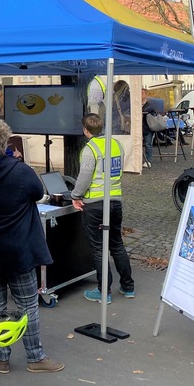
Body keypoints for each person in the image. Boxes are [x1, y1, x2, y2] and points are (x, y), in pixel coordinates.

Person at [0, 119, 64, 375]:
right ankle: (35, 357)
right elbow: (37, 193)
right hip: (18, 250)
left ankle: (2, 357)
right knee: (28, 306)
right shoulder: (20, 171)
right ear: (5, 143)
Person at [71, 113, 135, 303]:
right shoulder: (116, 144)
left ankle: (103, 291)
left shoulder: (90, 149)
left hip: (95, 205)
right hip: (115, 201)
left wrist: (75, 196)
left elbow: (84, 178)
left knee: (99, 249)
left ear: (85, 130)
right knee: (116, 244)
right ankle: (128, 286)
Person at [141, 87, 163, 169]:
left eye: (142, 93)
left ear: (146, 94)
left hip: (147, 127)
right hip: (140, 127)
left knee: (148, 143)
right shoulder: (136, 104)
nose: (140, 95)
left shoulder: (149, 105)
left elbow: (147, 111)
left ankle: (148, 160)